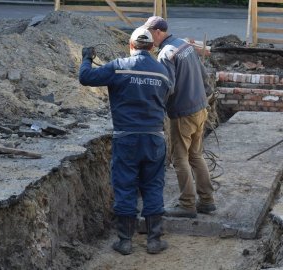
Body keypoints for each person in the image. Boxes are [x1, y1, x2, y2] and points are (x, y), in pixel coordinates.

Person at [79, 27, 174, 255]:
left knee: (125, 186)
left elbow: (86, 77)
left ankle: (125, 241)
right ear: (152, 47)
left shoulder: (119, 66)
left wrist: (86, 58)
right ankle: (154, 240)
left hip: (127, 139)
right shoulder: (162, 72)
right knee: (153, 186)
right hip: (154, 139)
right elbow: (168, 93)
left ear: (131, 45)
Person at [142, 16, 216, 218]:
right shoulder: (185, 45)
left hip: (183, 113)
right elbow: (203, 73)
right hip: (200, 108)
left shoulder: (166, 54)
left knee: (179, 158)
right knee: (196, 155)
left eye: (150, 33)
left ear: (158, 32)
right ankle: (207, 201)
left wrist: (154, 107)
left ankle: (187, 205)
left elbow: (168, 87)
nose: (148, 38)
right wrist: (205, 96)